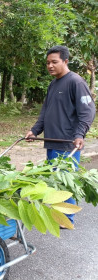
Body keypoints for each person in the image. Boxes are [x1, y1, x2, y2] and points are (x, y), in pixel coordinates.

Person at [25, 45, 96, 224]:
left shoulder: (76, 82)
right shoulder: (53, 84)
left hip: (67, 144)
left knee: (65, 183)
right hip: (51, 142)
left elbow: (87, 112)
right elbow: (45, 112)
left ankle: (67, 219)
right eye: (48, 62)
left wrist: (80, 135)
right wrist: (34, 131)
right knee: (54, 182)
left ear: (65, 61)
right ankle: (58, 216)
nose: (50, 66)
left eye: (54, 62)